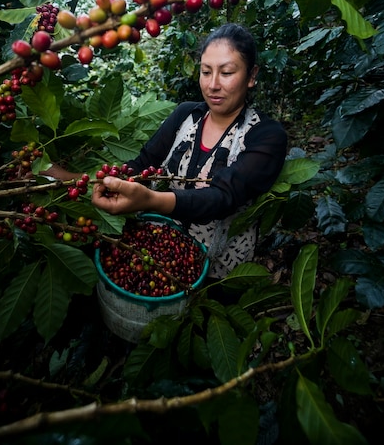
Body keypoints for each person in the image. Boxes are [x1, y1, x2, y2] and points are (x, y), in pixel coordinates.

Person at [91, 23, 288, 278]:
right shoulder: (186, 114)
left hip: (219, 270)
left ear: (251, 76)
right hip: (159, 249)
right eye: (206, 72)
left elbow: (222, 197)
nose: (213, 84)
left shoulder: (266, 135)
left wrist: (150, 200)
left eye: (226, 72)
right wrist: (102, 181)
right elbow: (144, 163)